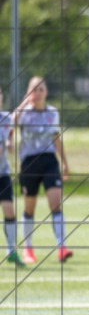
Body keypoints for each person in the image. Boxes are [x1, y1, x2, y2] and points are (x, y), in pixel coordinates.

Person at [13, 77, 70, 263]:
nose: (38, 93)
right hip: (29, 163)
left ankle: (61, 247)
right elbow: (10, 125)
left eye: (41, 89)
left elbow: (56, 139)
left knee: (55, 202)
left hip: (49, 162)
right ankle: (28, 249)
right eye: (34, 89)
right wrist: (23, 103)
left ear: (46, 92)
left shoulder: (52, 113)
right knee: (29, 207)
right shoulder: (24, 113)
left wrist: (65, 163)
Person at [0, 87, 23, 266]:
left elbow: (15, 119)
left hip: (3, 174)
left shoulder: (6, 119)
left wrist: (8, 143)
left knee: (9, 211)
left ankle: (11, 251)